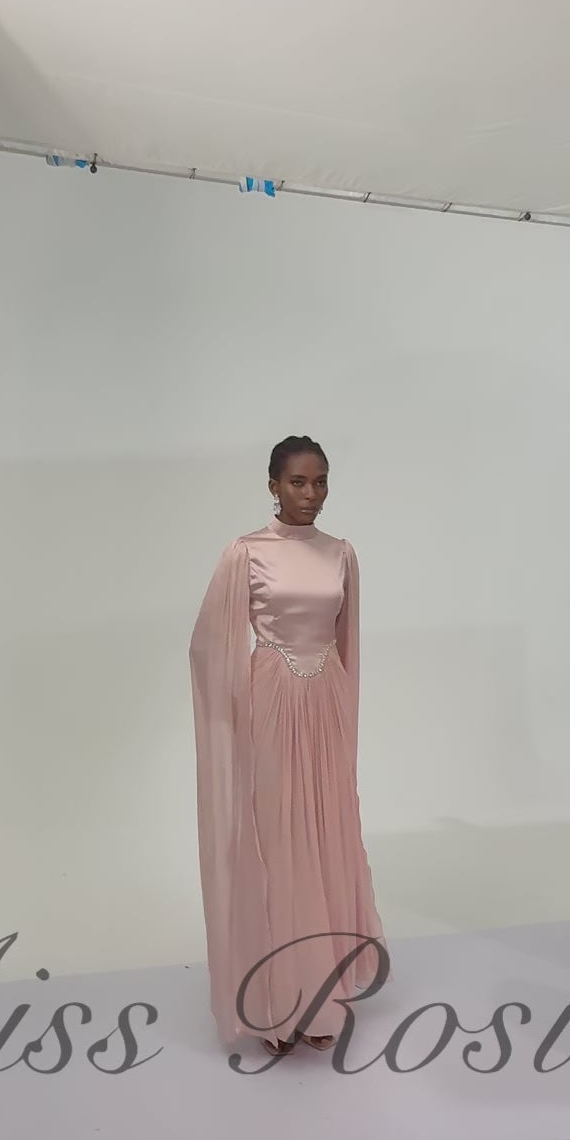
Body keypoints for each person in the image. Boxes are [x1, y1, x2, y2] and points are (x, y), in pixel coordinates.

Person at [189, 436, 385, 1055]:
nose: (311, 494)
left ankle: (318, 993)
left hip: (326, 699)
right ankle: (274, 1002)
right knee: (277, 840)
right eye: (298, 482)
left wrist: (344, 706)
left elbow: (348, 641)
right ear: (273, 485)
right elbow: (209, 643)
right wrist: (231, 710)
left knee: (325, 834)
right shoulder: (246, 552)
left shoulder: (341, 553)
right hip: (271, 698)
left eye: (320, 481)